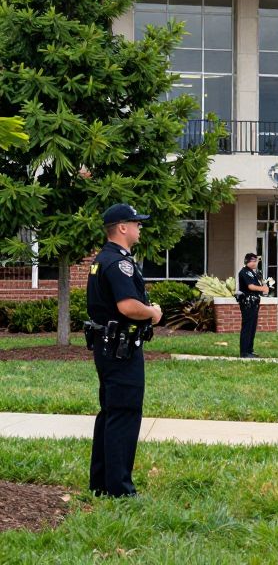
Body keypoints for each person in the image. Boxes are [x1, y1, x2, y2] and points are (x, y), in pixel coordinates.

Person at [85, 203, 162, 498]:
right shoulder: (119, 263)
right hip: (120, 350)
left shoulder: (101, 260)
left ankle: (101, 483)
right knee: (124, 414)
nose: (139, 228)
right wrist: (153, 313)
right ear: (122, 227)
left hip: (109, 347)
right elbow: (127, 306)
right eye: (136, 223)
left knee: (110, 413)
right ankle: (119, 489)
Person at [237, 253, 269, 358]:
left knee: (252, 327)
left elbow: (257, 285)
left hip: (254, 302)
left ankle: (250, 350)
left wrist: (264, 286)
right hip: (247, 303)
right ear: (248, 261)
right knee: (247, 327)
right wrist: (263, 289)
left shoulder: (253, 272)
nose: (256, 263)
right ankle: (244, 352)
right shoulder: (244, 272)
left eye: (256, 261)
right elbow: (250, 286)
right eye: (254, 261)